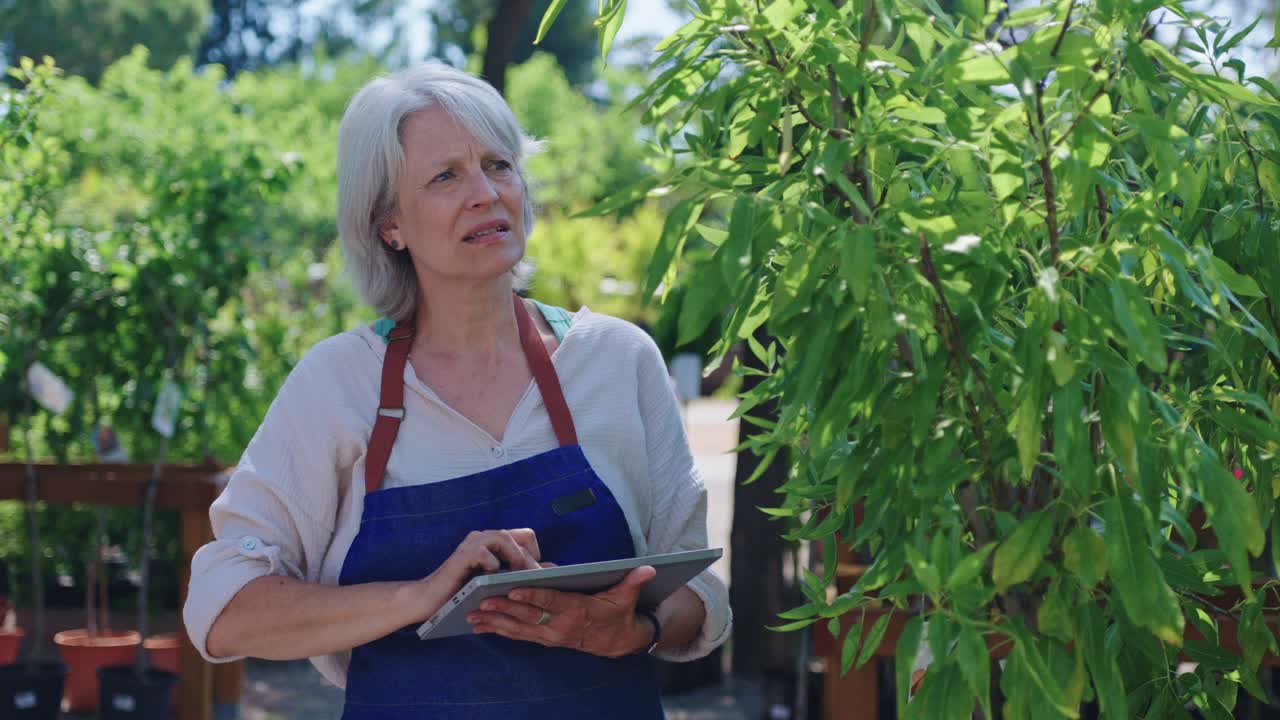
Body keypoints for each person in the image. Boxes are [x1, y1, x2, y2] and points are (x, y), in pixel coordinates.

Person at [182, 63, 731, 719]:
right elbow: (222, 607)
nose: (486, 193)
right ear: (390, 224)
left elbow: (696, 583)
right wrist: (422, 596)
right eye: (446, 176)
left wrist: (635, 629)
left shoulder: (616, 360)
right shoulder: (338, 385)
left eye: (498, 165)